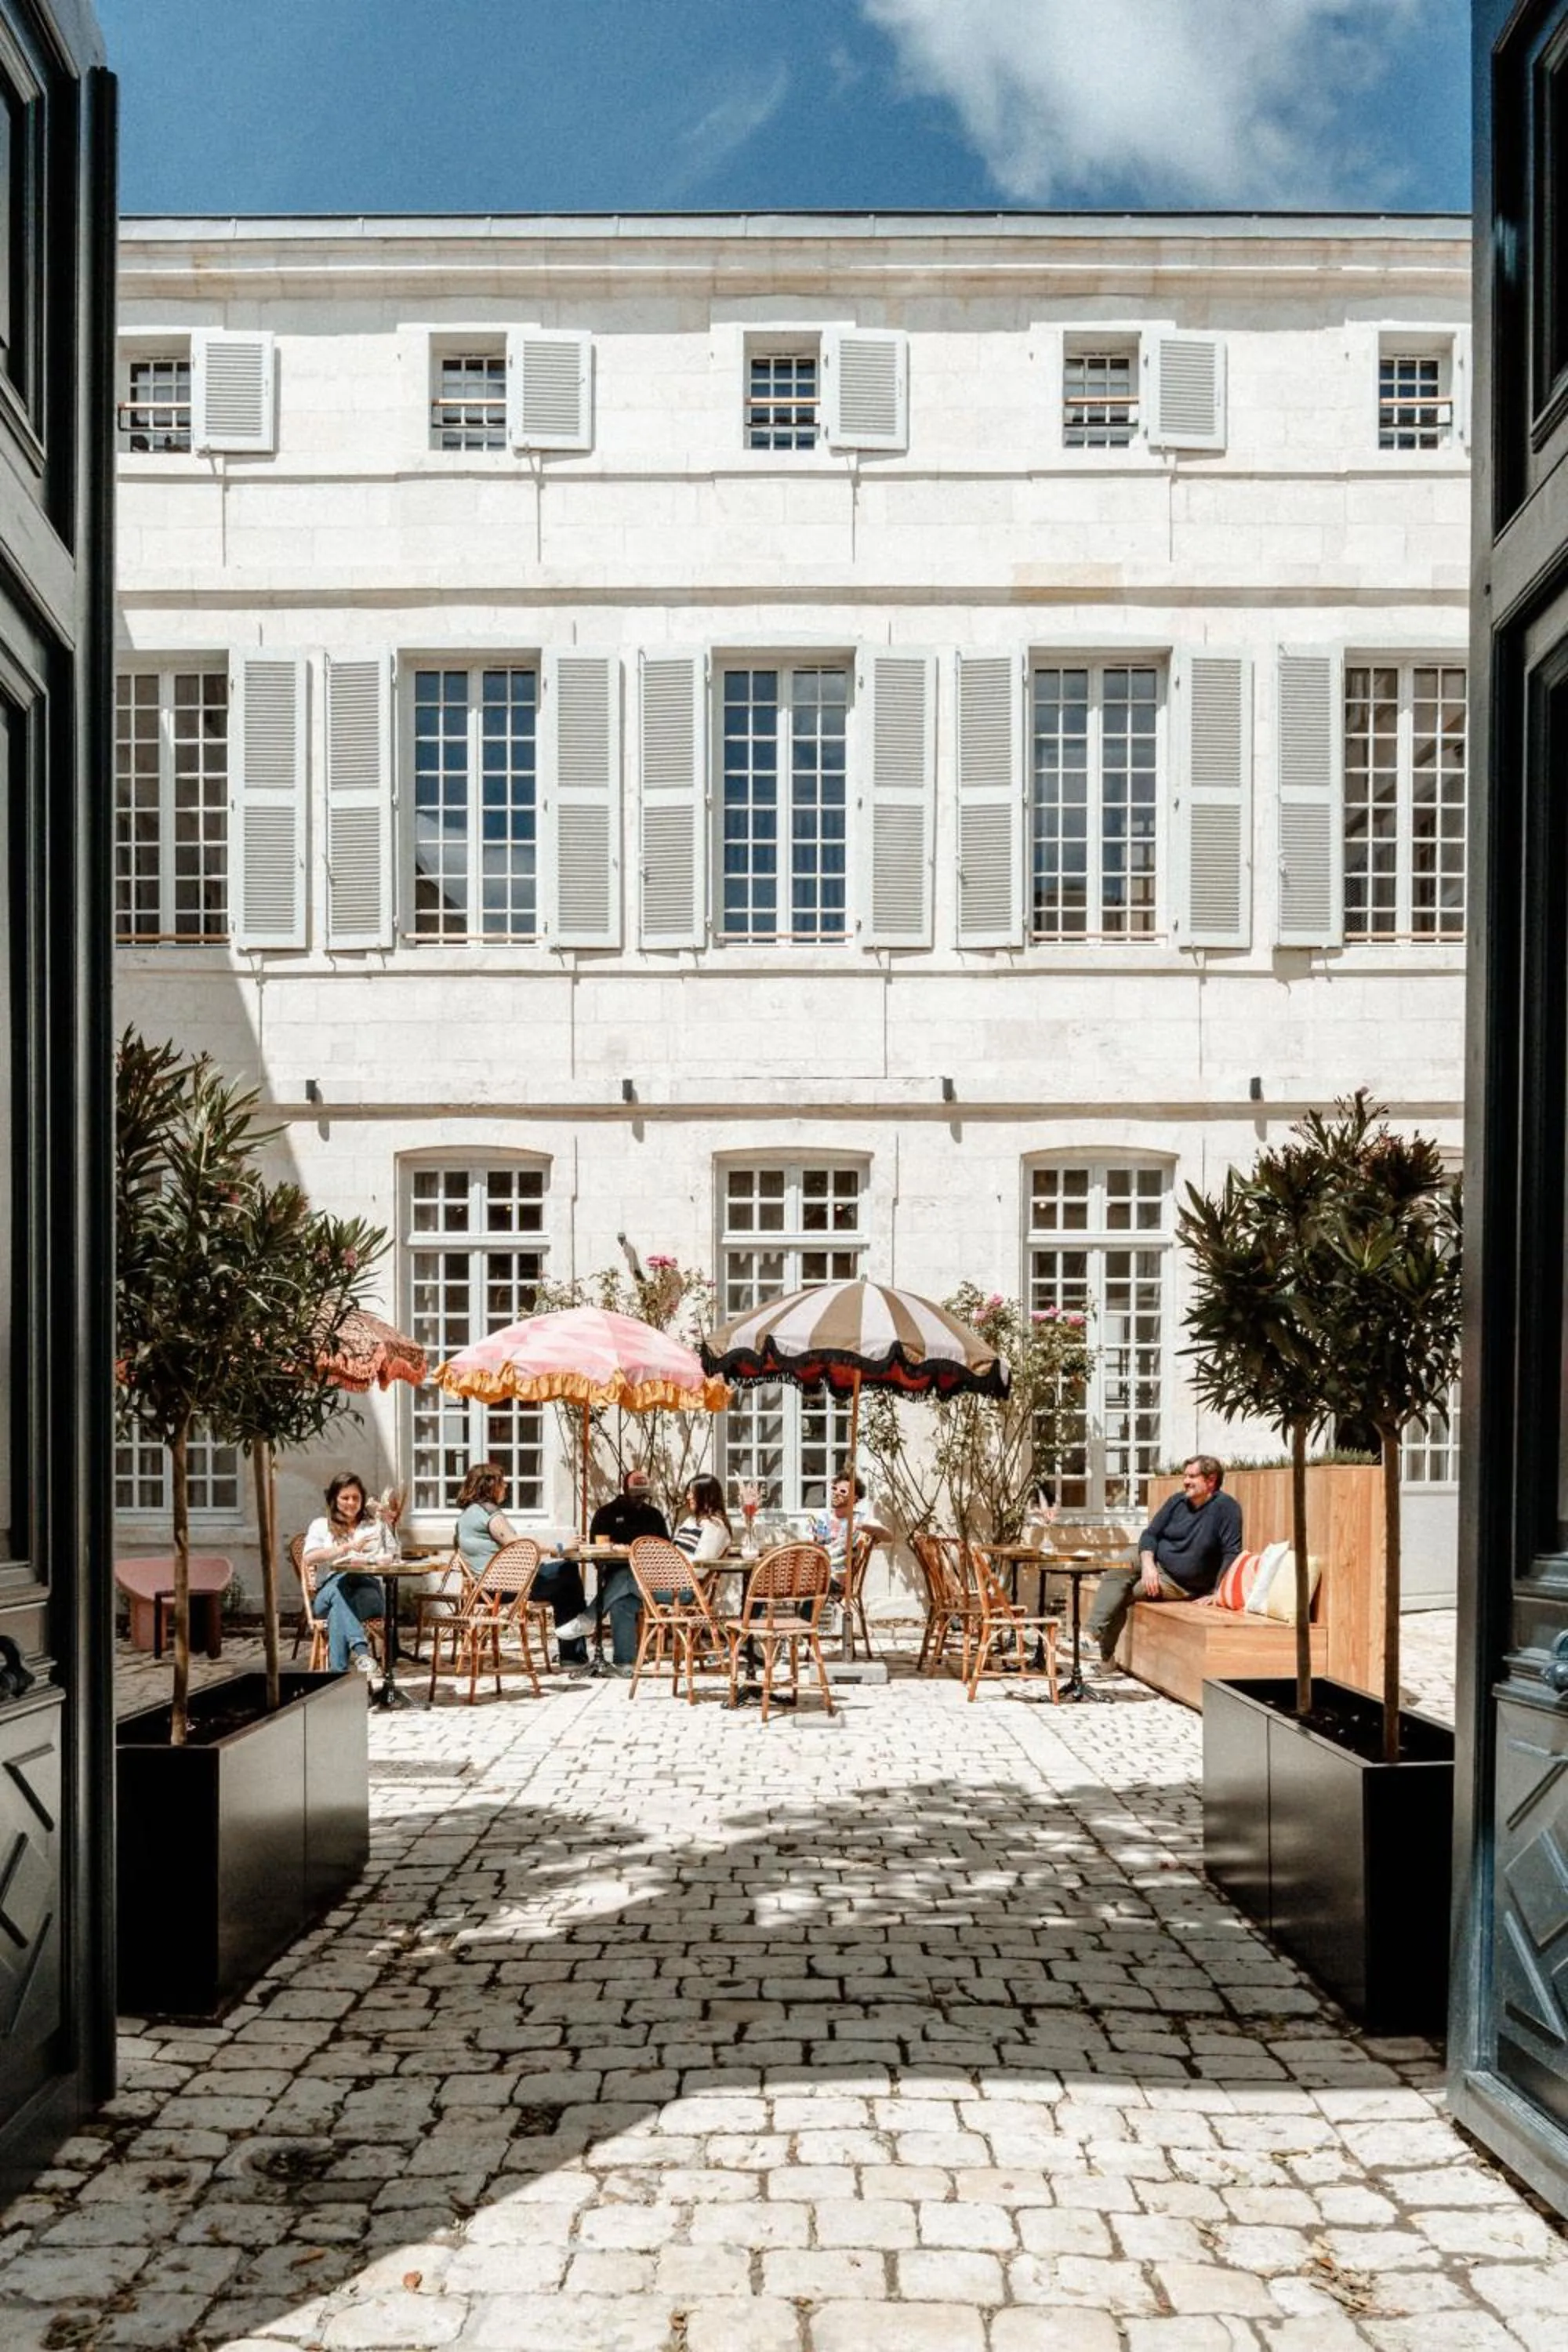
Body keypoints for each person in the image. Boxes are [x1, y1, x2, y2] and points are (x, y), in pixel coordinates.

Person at [1087, 1455, 1243, 1668]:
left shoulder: (1227, 1508)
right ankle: (1091, 1633)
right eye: (1185, 1476)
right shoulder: (1177, 1501)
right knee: (1118, 1568)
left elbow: (1231, 1552)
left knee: (1126, 1593)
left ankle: (1106, 1657)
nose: (1185, 1481)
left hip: (1180, 1584)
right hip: (1155, 1560)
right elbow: (1150, 1534)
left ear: (1211, 1480)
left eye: (1192, 1477)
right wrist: (1148, 1565)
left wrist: (1218, 1592)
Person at [454, 1461, 590, 1667]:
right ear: (490, 1485)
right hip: (506, 1586)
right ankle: (576, 1646)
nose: (506, 1486)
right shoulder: (489, 1513)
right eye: (502, 1482)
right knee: (568, 1570)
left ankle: (573, 1654)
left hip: (484, 1589)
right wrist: (561, 1548)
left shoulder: (465, 1516)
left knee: (563, 1589)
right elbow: (519, 1546)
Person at [572, 1464, 670, 1671]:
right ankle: (625, 1663)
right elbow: (597, 1553)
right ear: (624, 1491)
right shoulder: (606, 1514)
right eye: (636, 1495)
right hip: (615, 1577)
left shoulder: (653, 1515)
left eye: (643, 1495)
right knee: (621, 1601)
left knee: (625, 1579)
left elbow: (666, 1550)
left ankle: (590, 1618)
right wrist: (613, 1550)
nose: (640, 1500)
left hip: (649, 1580)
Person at [302, 1471, 390, 1681]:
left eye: (356, 1498)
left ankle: (338, 1677)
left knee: (339, 1609)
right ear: (334, 1499)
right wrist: (346, 1548)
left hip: (367, 1593)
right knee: (340, 1584)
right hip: (327, 1592)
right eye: (345, 1498)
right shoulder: (321, 1525)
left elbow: (391, 1555)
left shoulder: (373, 1526)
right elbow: (309, 1557)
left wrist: (390, 1526)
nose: (351, 1503)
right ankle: (362, 1654)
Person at [672, 1475, 732, 1567]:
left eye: (693, 1493)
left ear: (706, 1496)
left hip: (685, 1575)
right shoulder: (689, 1521)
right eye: (688, 1492)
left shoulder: (715, 1526)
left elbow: (702, 1564)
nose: (688, 1497)